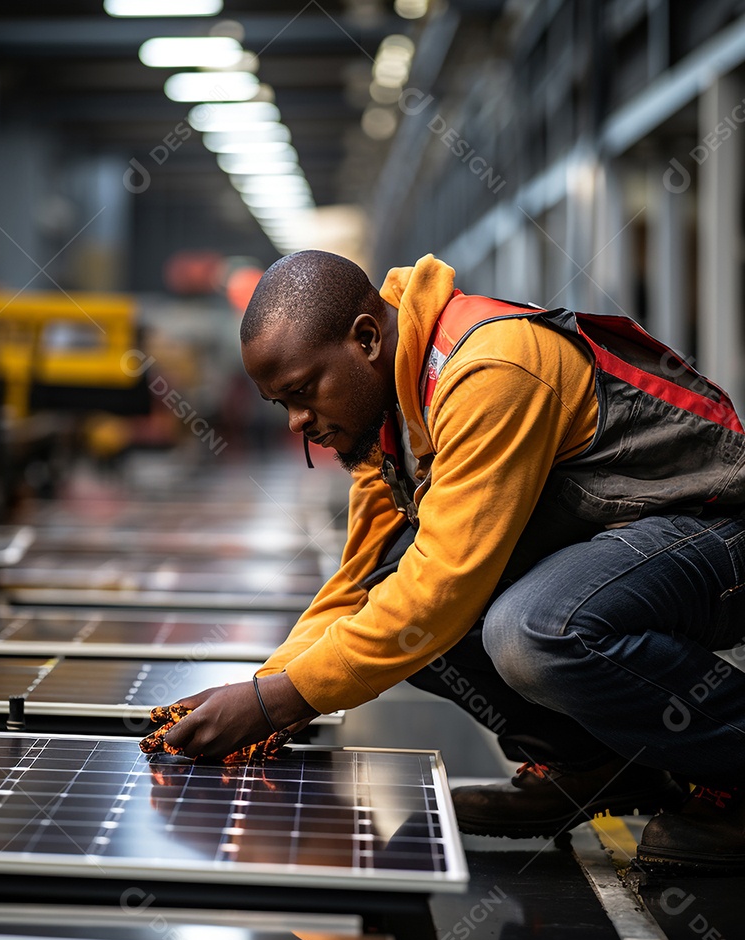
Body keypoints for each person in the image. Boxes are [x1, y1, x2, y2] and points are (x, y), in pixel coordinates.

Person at [160, 249, 745, 875]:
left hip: (715, 534)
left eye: (303, 391)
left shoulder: (491, 368)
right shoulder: (396, 413)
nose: (300, 421)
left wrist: (282, 701)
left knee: (534, 629)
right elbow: (360, 581)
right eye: (283, 405)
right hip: (628, 550)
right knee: (395, 594)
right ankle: (592, 766)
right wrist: (266, 691)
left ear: (364, 339)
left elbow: (443, 583)